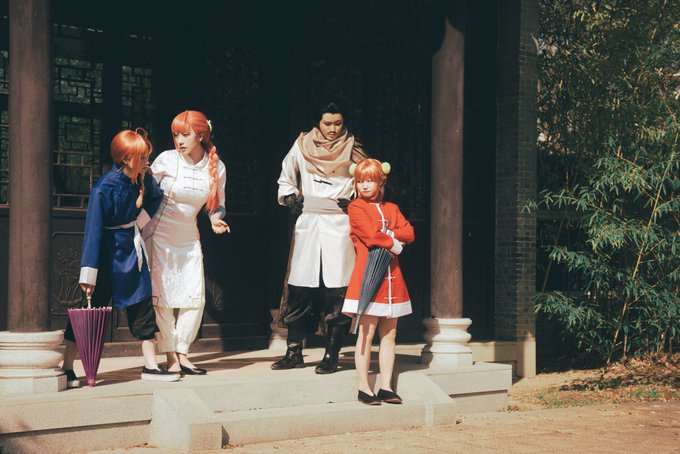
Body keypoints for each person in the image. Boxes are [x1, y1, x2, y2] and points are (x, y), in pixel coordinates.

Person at [61, 128, 180, 386]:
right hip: (105, 255)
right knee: (89, 310)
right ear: (126, 158)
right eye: (143, 157)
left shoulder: (144, 179)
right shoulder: (104, 188)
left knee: (142, 306)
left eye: (147, 155)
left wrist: (138, 222)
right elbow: (93, 231)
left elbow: (156, 198)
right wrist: (89, 272)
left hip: (131, 250)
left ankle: (150, 366)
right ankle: (67, 367)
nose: (148, 161)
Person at [273, 101, 367, 374]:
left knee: (337, 290)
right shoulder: (302, 144)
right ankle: (294, 351)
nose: (333, 129)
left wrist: (357, 200)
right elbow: (286, 175)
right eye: (327, 123)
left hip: (340, 223)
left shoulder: (353, 146)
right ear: (318, 123)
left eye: (338, 123)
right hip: (310, 222)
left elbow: (370, 178)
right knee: (300, 286)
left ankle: (331, 354)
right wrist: (291, 197)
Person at [144, 110, 229, 376]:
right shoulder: (166, 160)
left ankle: (183, 353)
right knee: (163, 298)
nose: (179, 140)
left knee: (194, 297)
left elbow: (216, 204)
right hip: (159, 234)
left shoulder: (216, 167)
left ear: (201, 135)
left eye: (185, 134)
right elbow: (144, 191)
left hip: (189, 236)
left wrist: (215, 220)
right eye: (176, 135)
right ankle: (170, 355)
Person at [341, 159, 415, 405]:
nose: (364, 186)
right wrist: (395, 241)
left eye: (370, 181)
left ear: (381, 181)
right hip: (368, 277)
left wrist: (391, 234)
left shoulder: (392, 208)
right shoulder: (355, 208)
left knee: (389, 335)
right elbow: (371, 236)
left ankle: (386, 387)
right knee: (366, 333)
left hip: (393, 279)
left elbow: (410, 232)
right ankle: (364, 387)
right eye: (360, 181)